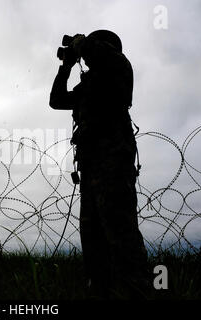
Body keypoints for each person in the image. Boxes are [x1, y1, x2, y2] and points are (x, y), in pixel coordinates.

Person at [49, 30, 149, 299]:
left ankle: (137, 291)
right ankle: (99, 290)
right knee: (92, 237)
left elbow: (102, 53)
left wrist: (81, 42)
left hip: (114, 162)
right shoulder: (88, 87)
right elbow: (56, 101)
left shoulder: (119, 67)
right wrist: (66, 67)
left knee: (121, 231)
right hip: (90, 167)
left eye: (99, 45)